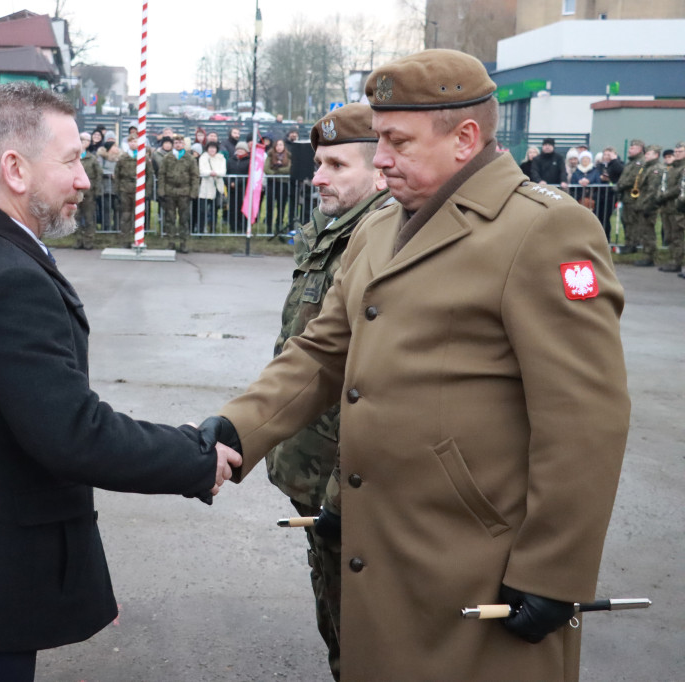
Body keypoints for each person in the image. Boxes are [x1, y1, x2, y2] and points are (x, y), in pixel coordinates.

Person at [201, 49, 629, 681]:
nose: (381, 159)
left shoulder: (544, 230)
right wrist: (240, 428)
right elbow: (323, 349)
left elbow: (585, 416)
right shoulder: (379, 230)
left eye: (397, 142)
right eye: (378, 140)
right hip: (385, 540)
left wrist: (553, 570)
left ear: (465, 138)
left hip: (478, 558)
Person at [0, 82, 240, 681]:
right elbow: (72, 433)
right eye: (72, 160)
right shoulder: (2, 276)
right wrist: (193, 457)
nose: (84, 178)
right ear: (15, 169)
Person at [267, 103, 390, 681]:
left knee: (366, 635)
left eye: (337, 165)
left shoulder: (384, 239)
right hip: (315, 474)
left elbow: (378, 385)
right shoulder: (332, 230)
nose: (317, 176)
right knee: (336, 612)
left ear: (380, 171)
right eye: (319, 163)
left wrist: (342, 493)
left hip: (350, 484)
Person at [618, 142, 661, 265]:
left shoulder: (655, 169)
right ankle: (647, 255)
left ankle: (650, 257)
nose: (646, 155)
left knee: (648, 231)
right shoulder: (647, 167)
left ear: (656, 155)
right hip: (642, 202)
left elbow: (652, 190)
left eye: (649, 153)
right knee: (644, 230)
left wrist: (647, 205)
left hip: (648, 204)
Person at [158, 134, 199, 252]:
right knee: (170, 218)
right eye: (176, 143)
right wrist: (161, 191)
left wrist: (193, 192)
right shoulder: (167, 157)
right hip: (170, 191)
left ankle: (183, 243)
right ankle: (171, 242)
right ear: (173, 144)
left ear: (184, 144)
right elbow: (162, 175)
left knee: (184, 219)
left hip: (184, 192)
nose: (178, 145)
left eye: (180, 143)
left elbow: (194, 176)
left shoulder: (190, 158)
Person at [114, 143, 152, 246]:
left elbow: (149, 175)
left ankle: (138, 240)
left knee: (138, 215)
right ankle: (125, 240)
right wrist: (117, 190)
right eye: (131, 141)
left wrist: (147, 191)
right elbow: (117, 175)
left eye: (135, 141)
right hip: (125, 189)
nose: (133, 144)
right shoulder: (123, 158)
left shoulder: (144, 157)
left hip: (139, 189)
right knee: (126, 215)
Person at [656, 142, 685, 273]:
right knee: (669, 235)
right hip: (667, 207)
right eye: (676, 151)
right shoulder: (671, 168)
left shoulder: (682, 168)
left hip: (678, 207)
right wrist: (660, 195)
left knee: (677, 235)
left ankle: (677, 261)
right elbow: (664, 183)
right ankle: (673, 260)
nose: (677, 153)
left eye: (680, 151)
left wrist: (665, 195)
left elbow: (680, 187)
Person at [75, 131, 101, 249]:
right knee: (76, 217)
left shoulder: (92, 158)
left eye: (87, 141)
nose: (85, 143)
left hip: (89, 193)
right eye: (83, 140)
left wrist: (97, 190)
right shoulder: (73, 157)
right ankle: (78, 240)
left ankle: (89, 241)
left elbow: (98, 174)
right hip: (74, 192)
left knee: (89, 217)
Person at [197, 140, 226, 233]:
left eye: (214, 148)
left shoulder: (221, 158)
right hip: (205, 188)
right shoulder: (203, 157)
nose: (212, 150)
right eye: (210, 148)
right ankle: (200, 230)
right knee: (202, 211)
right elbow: (202, 171)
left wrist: (215, 173)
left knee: (214, 211)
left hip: (217, 187)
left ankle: (212, 230)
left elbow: (223, 172)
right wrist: (211, 173)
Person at [264, 138, 291, 233]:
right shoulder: (270, 155)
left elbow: (288, 169)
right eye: (277, 145)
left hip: (283, 184)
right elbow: (266, 169)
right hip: (272, 184)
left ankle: (278, 227)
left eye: (281, 145)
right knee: (269, 206)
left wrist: (276, 170)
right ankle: (268, 228)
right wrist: (276, 173)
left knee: (281, 207)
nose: (279, 147)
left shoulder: (288, 156)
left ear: (284, 146)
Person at [596, 146, 623, 241]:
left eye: (609, 154)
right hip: (599, 195)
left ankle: (606, 239)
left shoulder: (616, 164)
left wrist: (614, 160)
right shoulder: (599, 166)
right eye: (605, 154)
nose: (606, 156)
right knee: (597, 218)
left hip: (611, 195)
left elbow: (621, 171)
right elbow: (595, 176)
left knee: (606, 218)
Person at [226, 140, 251, 232]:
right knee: (233, 208)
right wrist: (230, 183)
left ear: (246, 151)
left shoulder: (249, 161)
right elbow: (226, 173)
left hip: (243, 189)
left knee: (243, 208)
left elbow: (248, 175)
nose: (240, 151)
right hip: (231, 189)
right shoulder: (230, 160)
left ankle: (243, 226)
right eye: (238, 149)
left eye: (242, 149)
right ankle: (233, 226)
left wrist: (237, 183)